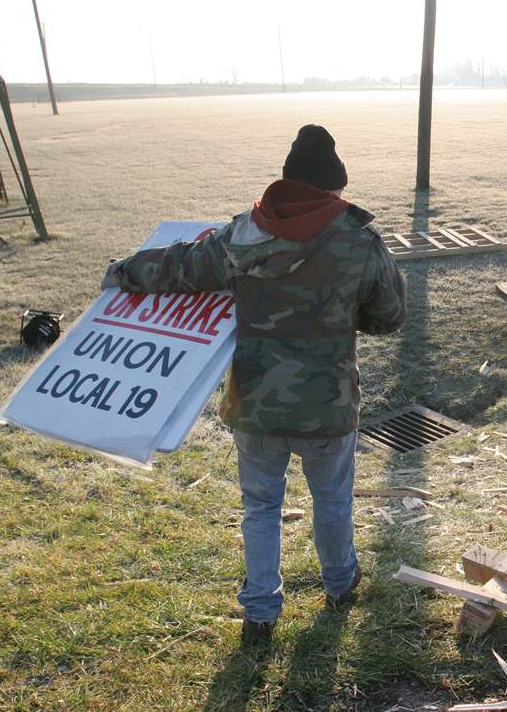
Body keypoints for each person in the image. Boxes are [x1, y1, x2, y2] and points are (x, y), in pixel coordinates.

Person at [101, 124, 406, 645]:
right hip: (328, 408)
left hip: (255, 407)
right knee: (332, 500)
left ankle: (261, 611)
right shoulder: (359, 240)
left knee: (260, 507)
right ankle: (339, 584)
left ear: (285, 185)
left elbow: (179, 267)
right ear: (334, 189)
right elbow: (389, 316)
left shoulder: (241, 234)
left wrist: (124, 272)